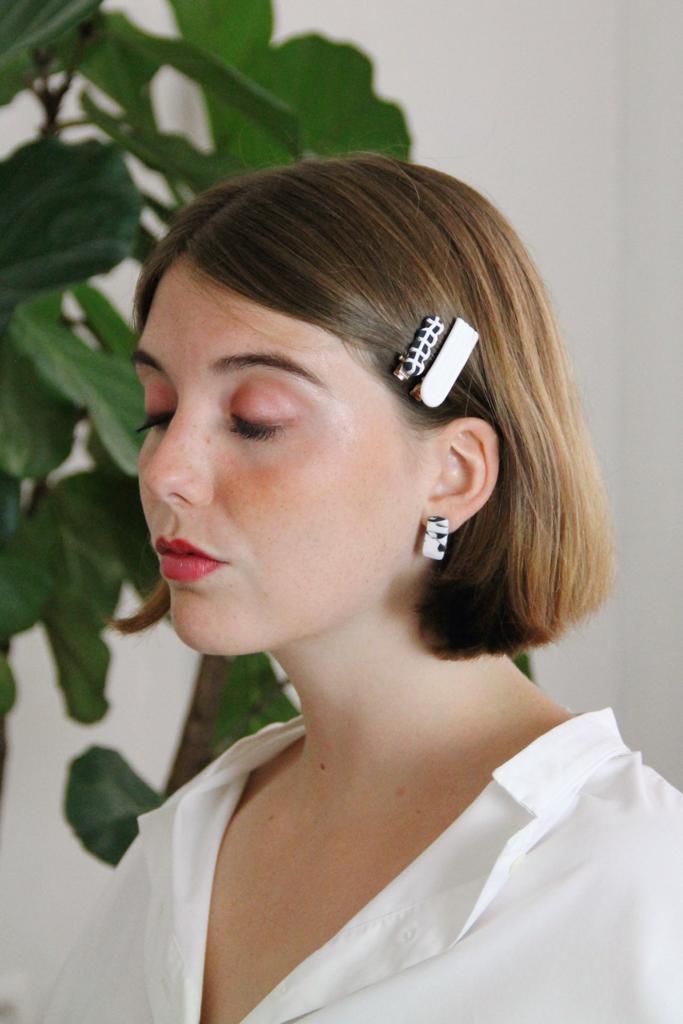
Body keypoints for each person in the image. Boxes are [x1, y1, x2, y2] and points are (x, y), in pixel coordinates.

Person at [42, 153, 683, 1023]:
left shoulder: (634, 890)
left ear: (454, 473)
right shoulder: (186, 844)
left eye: (253, 418)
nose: (164, 470)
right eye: (158, 409)